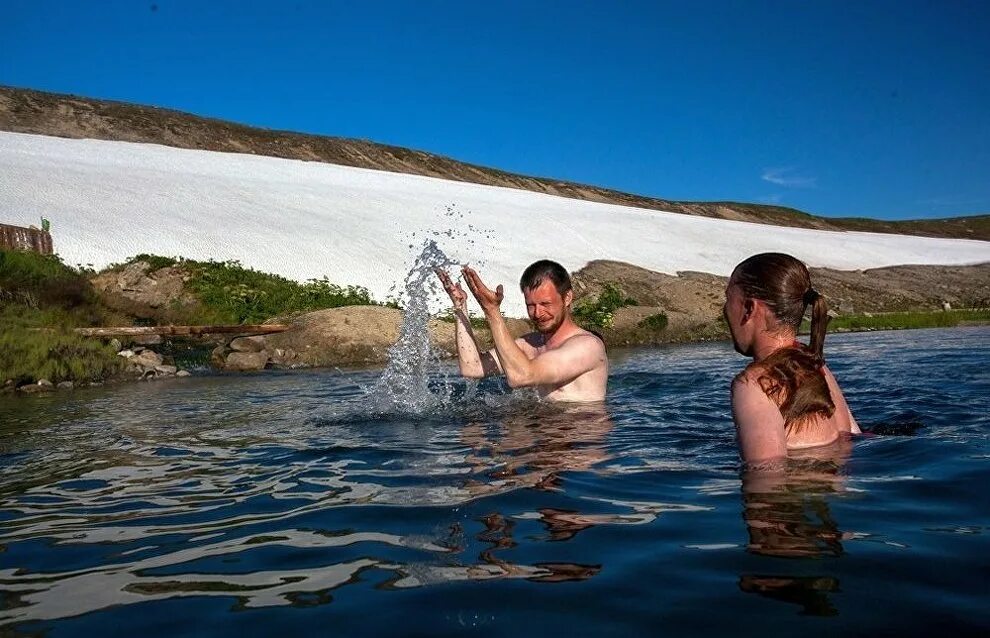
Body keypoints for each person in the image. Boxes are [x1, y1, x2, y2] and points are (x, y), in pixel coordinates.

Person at [724, 252, 860, 464]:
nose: (725, 309)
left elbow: (767, 478)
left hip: (799, 492)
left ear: (749, 308)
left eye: (728, 299)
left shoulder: (754, 385)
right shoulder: (816, 366)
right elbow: (854, 436)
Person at [435, 260, 608, 402]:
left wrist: (491, 310)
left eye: (545, 304)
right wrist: (460, 307)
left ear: (567, 298)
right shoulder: (531, 345)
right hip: (544, 433)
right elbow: (471, 368)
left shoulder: (588, 346)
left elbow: (521, 376)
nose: (538, 313)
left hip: (580, 439)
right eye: (531, 306)